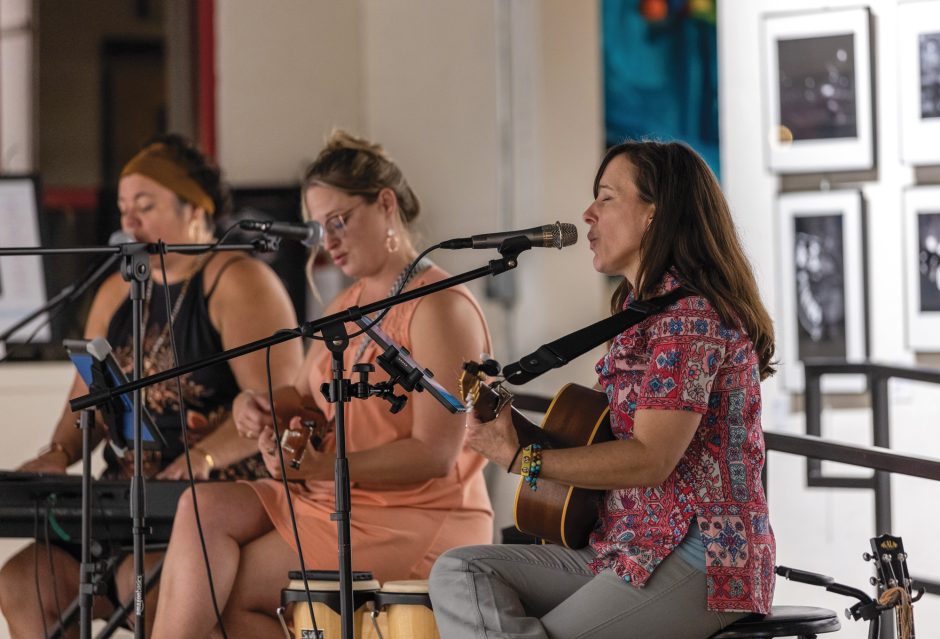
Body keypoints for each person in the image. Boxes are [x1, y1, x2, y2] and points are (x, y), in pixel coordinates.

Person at [149, 130, 494, 638]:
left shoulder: (440, 306)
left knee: (230, 594)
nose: (327, 241)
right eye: (318, 227)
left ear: (385, 204)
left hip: (416, 514)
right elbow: (310, 397)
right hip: (336, 497)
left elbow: (435, 454)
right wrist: (259, 405)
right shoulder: (347, 304)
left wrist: (328, 468)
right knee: (203, 505)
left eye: (339, 221)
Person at [430, 140, 777, 638]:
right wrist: (511, 430)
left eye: (607, 198)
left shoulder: (690, 321)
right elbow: (600, 444)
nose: (588, 214)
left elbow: (650, 458)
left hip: (704, 556)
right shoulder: (640, 316)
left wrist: (523, 459)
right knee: (461, 571)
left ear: (654, 215)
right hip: (626, 546)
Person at [0, 134, 304, 637]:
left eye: (146, 206)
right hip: (121, 508)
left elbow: (279, 405)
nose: (129, 223)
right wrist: (58, 451)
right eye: (124, 209)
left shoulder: (239, 281)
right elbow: (86, 396)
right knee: (22, 582)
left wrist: (200, 458)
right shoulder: (118, 288)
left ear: (196, 210)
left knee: (151, 590)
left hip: (208, 507)